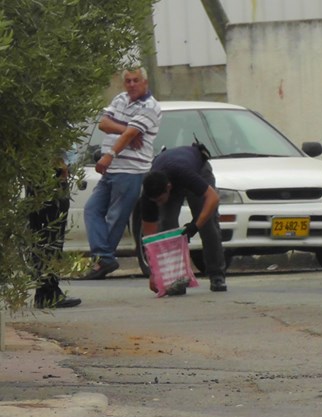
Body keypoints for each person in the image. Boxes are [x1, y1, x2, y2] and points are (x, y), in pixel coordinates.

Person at [82, 67, 162, 280]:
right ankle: (104, 257)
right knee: (91, 209)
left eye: (136, 80)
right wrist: (126, 129)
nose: (132, 85)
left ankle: (102, 260)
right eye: (128, 81)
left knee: (116, 216)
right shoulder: (120, 99)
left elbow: (129, 135)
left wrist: (110, 153)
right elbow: (103, 124)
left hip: (130, 170)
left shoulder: (150, 106)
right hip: (111, 170)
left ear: (145, 82)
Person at [140, 142, 227, 293]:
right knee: (166, 226)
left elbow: (213, 198)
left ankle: (216, 275)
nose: (158, 203)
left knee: (208, 224)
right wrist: (155, 273)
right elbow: (151, 239)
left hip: (198, 170)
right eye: (156, 201)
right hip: (167, 172)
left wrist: (195, 226)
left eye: (160, 199)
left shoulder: (184, 173)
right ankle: (174, 278)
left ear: (168, 188)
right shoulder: (149, 195)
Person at [29, 156, 81, 309]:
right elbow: (53, 152)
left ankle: (44, 291)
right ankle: (49, 293)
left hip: (41, 182)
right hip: (50, 184)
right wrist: (63, 171)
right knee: (52, 239)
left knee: (43, 239)